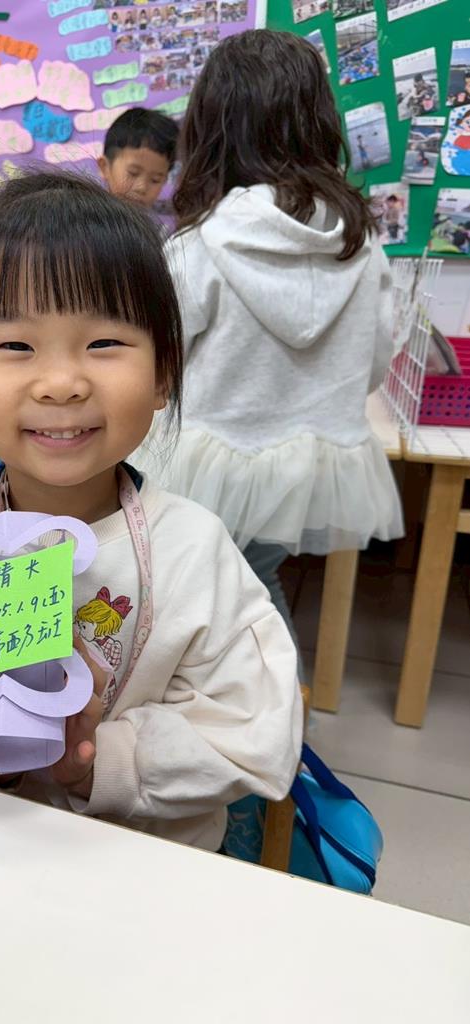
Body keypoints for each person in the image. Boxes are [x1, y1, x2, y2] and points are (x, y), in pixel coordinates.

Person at [0, 172, 302, 855]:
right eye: (15, 346)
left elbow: (254, 736)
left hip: (151, 865)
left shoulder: (195, 548)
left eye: (103, 344)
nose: (60, 384)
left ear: (163, 372)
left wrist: (94, 762)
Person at [137, 30, 402, 657]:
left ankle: (254, 700)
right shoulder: (362, 247)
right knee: (253, 582)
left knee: (197, 594)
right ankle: (273, 698)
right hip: (305, 470)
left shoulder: (197, 245)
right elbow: (374, 363)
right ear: (319, 121)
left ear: (211, 128)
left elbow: (156, 372)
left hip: (203, 467)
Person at [97, 107, 178, 209]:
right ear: (104, 167)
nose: (142, 188)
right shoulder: (84, 216)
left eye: (155, 180)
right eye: (133, 173)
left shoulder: (153, 220)